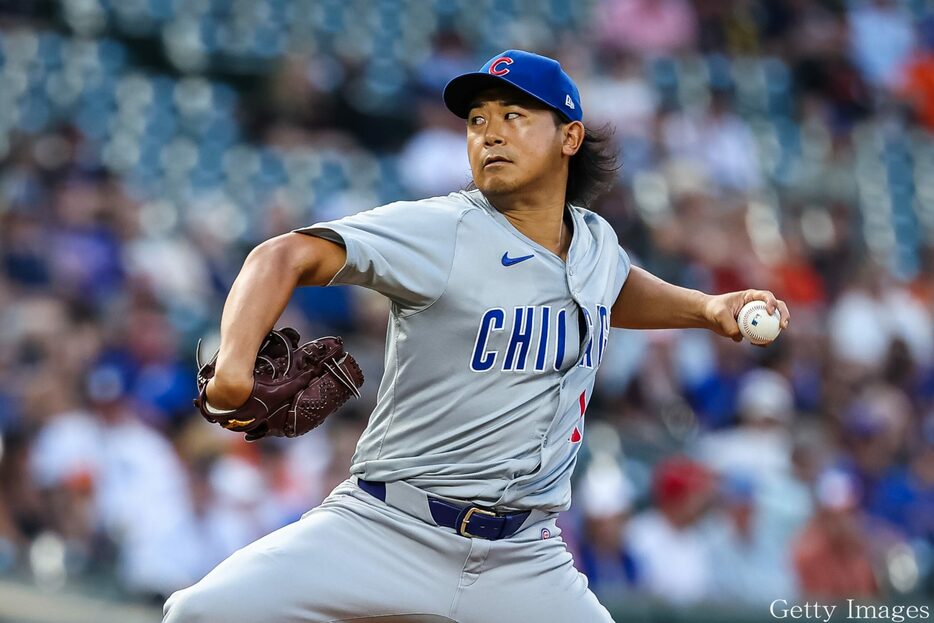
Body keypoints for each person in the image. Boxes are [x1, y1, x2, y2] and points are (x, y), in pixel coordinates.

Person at [162, 49, 790, 623]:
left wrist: (709, 308)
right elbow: (281, 255)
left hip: (526, 559)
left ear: (569, 137)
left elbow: (616, 288)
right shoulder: (445, 230)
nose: (489, 132)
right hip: (389, 526)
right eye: (477, 120)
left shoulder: (596, 241)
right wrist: (236, 364)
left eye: (514, 115)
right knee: (200, 616)